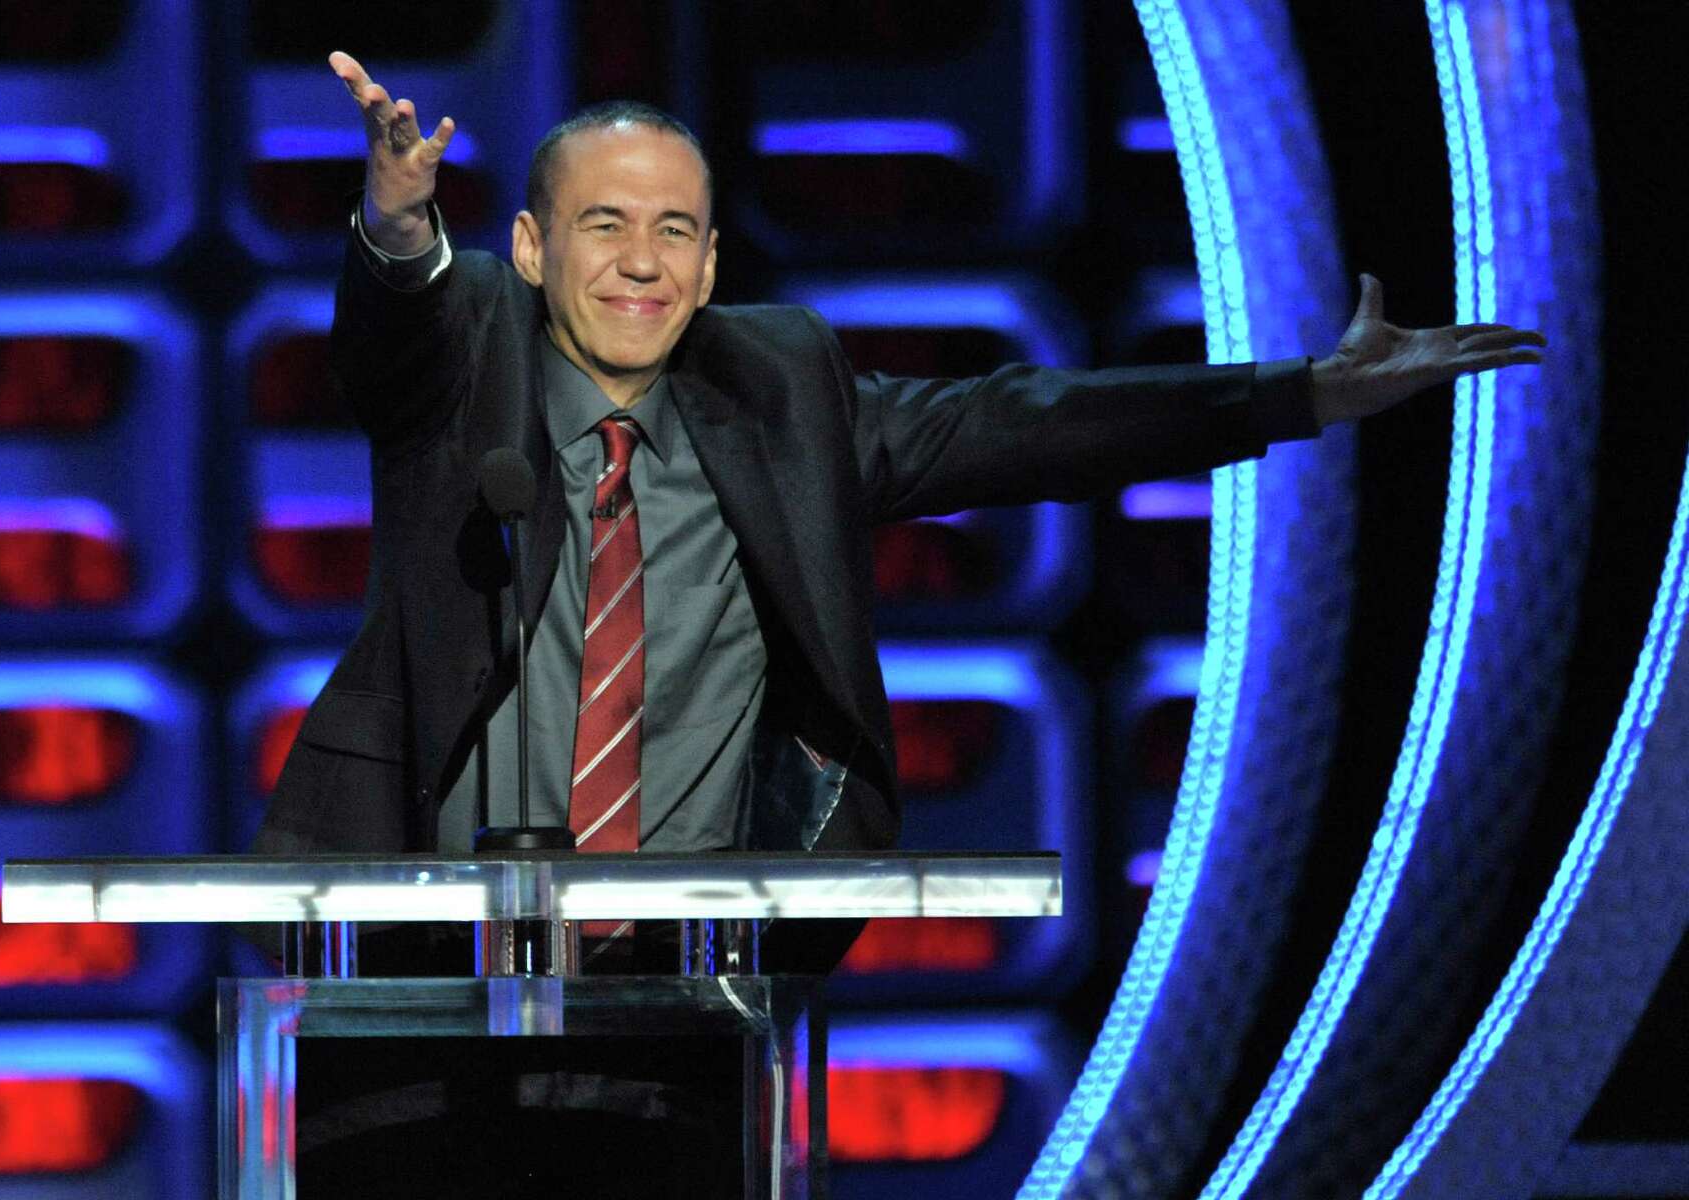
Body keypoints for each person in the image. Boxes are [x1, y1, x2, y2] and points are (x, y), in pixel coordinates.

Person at [252, 50, 1546, 1198]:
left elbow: (1023, 423)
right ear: (532, 248)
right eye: (603, 225)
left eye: (673, 231)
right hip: (423, 970)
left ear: (708, 263)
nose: (641, 261)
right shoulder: (468, 341)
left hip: (688, 990)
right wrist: (398, 224)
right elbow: (392, 342)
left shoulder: (784, 386)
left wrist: (1304, 392)